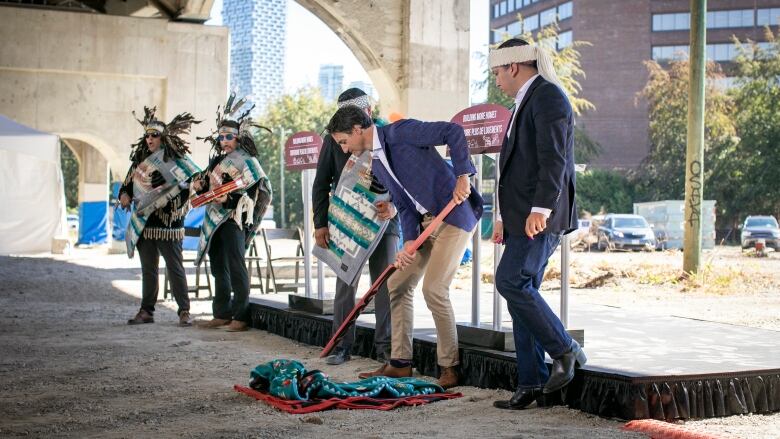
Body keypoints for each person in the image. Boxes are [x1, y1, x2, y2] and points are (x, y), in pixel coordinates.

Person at [325, 105, 483, 389]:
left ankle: (449, 366)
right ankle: (400, 363)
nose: (345, 150)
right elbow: (405, 205)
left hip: (454, 217)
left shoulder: (402, 131)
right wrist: (409, 241)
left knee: (434, 289)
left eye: (344, 142)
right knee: (397, 284)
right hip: (424, 226)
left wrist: (463, 175)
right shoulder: (376, 163)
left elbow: (453, 132)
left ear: (357, 130)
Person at [488, 38, 586, 410]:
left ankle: (565, 350)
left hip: (540, 217)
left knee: (510, 281)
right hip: (520, 218)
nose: (497, 79)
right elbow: (510, 169)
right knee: (519, 295)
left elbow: (554, 160)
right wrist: (500, 217)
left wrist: (541, 209)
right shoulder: (522, 102)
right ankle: (531, 383)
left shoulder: (548, 96)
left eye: (498, 71)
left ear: (513, 67)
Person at [312, 88, 400, 366]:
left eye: (367, 112)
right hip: (347, 221)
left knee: (385, 284)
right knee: (345, 283)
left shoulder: (389, 134)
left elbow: (402, 179)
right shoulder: (334, 139)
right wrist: (320, 223)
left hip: (385, 222)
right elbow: (321, 182)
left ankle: (385, 347)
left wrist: (394, 207)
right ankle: (341, 344)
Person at [193, 95, 272, 332]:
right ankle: (222, 312)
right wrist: (199, 186)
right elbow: (207, 185)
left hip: (234, 219)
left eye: (229, 137)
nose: (224, 141)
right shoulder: (217, 161)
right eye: (221, 137)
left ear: (239, 138)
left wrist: (230, 199)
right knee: (218, 265)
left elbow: (259, 190)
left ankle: (241, 316)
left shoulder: (248, 161)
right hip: (214, 218)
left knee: (236, 266)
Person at [120, 107, 200, 326]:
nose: (149, 139)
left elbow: (192, 182)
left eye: (154, 135)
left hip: (169, 221)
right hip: (144, 221)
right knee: (148, 269)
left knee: (175, 267)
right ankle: (146, 311)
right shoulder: (140, 161)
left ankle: (184, 311)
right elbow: (126, 186)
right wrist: (125, 195)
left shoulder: (177, 160)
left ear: (164, 138)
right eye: (147, 135)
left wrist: (167, 195)